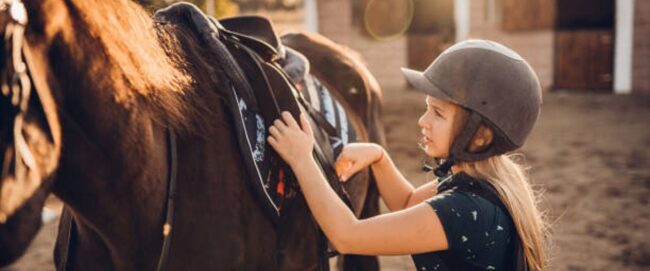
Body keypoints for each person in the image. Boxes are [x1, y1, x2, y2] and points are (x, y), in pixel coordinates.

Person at [267, 39, 547, 271]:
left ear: (480, 135)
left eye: (438, 114)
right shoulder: (484, 182)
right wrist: (380, 158)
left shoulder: (463, 210)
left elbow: (347, 236)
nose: (423, 121)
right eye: (427, 108)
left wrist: (302, 159)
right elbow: (408, 203)